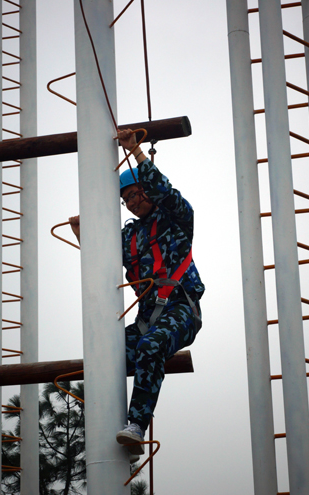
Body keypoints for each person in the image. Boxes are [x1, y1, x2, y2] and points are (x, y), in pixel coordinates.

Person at [69, 129, 204, 457]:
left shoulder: (176, 218)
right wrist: (82, 235)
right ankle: (110, 430)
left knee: (150, 345)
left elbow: (164, 191)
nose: (132, 202)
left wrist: (136, 152)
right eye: (126, 199)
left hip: (180, 309)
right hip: (147, 317)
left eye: (136, 194)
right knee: (104, 355)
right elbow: (101, 262)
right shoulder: (128, 236)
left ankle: (137, 425)